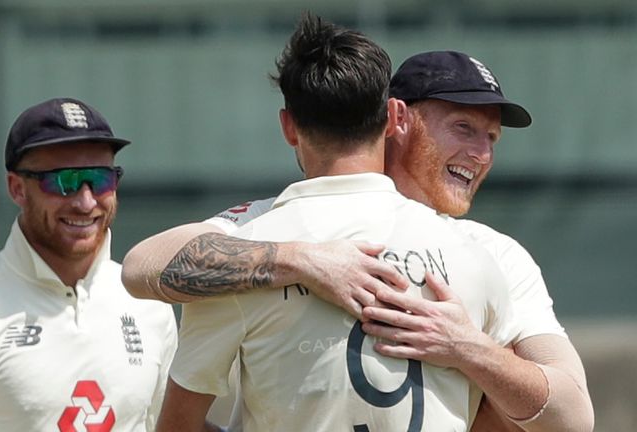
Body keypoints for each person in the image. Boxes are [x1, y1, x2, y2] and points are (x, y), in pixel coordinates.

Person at [123, 48, 594, 432]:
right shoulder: (270, 228)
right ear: (397, 118)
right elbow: (143, 264)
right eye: (463, 128)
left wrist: (467, 348)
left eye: (492, 137)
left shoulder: (495, 253)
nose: (482, 153)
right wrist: (301, 261)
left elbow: (573, 415)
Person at [0, 98, 177, 431]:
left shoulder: (149, 306)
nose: (85, 202)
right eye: (65, 181)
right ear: (17, 188)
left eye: (100, 180)